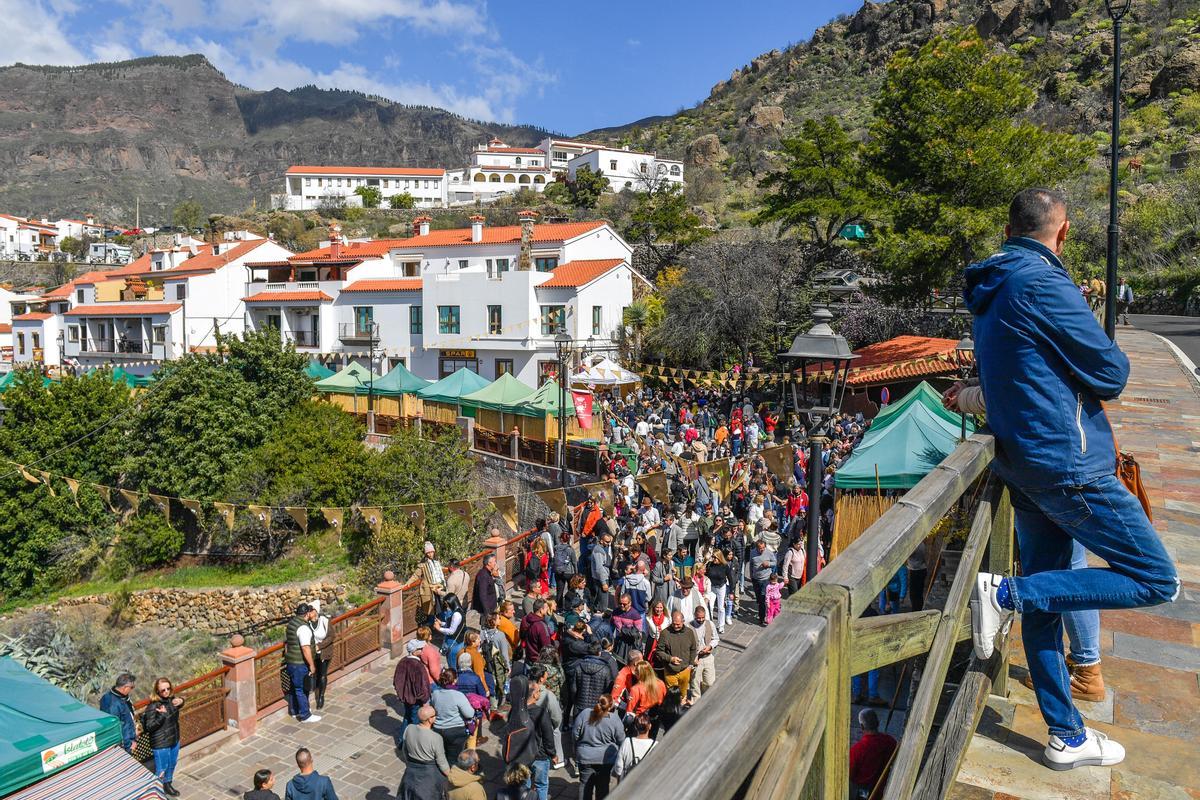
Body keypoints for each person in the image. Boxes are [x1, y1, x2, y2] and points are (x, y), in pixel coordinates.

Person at [964, 187, 1178, 770]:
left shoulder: (990, 284)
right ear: (1061, 233)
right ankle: (1003, 594)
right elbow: (1111, 372)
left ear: (1010, 228)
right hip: (1068, 464)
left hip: (1025, 463)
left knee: (1051, 594)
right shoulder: (1042, 281)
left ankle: (1067, 734)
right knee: (1157, 581)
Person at [573, 695, 626, 800]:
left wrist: (575, 750)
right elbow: (622, 740)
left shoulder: (584, 714)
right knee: (603, 786)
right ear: (610, 707)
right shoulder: (614, 720)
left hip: (585, 757)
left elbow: (575, 735)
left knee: (585, 786)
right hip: (606, 760)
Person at [142, 677, 184, 796]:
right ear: (157, 692)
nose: (166, 692)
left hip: (174, 739)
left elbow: (178, 705)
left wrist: (181, 700)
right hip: (161, 743)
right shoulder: (153, 706)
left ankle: (167, 785)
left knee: (172, 764)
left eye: (168, 689)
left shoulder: (171, 700)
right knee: (162, 769)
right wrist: (161, 716)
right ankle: (156, 792)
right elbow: (148, 727)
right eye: (162, 690)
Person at [398, 704, 449, 800]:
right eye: (434, 715)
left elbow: (405, 750)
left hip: (411, 771)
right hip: (429, 773)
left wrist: (409, 764)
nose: (436, 717)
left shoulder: (409, 728)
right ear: (430, 719)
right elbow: (441, 762)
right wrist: (449, 775)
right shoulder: (436, 738)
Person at [283, 603, 321, 723]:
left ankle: (294, 711)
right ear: (307, 614)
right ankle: (305, 715)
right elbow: (305, 648)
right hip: (299, 663)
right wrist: (311, 665)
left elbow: (287, 643)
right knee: (301, 689)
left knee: (294, 687)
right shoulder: (304, 628)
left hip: (290, 661)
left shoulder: (292, 623)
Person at [849, 709, 897, 799]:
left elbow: (849, 774)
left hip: (861, 794)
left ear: (862, 727)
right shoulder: (890, 742)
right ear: (878, 723)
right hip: (881, 789)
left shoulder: (857, 750)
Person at [431, 668, 475, 765]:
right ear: (454, 680)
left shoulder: (435, 693)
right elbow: (469, 713)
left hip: (438, 729)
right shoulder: (458, 695)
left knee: (443, 754)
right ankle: (451, 776)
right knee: (454, 758)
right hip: (455, 731)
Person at [653, 611, 698, 703]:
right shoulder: (665, 633)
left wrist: (690, 665)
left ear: (683, 621)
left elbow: (693, 649)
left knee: (683, 695)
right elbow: (659, 651)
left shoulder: (689, 632)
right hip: (670, 671)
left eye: (678, 624)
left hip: (685, 670)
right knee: (673, 698)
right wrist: (670, 659)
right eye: (674, 624)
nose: (676, 626)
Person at [394, 639, 433, 740]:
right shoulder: (418, 666)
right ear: (414, 651)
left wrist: (402, 695)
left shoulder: (402, 662)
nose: (422, 650)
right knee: (416, 723)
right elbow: (421, 686)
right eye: (420, 649)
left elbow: (396, 682)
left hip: (406, 699)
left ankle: (401, 740)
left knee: (407, 717)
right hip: (416, 701)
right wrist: (425, 701)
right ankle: (413, 743)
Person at [99, 672, 137, 753]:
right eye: (132, 687)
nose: (132, 689)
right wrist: (128, 745)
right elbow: (115, 728)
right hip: (123, 747)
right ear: (125, 687)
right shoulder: (113, 704)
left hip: (127, 743)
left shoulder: (121, 698)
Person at [688, 605, 719, 702]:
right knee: (695, 683)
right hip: (696, 659)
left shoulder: (710, 624)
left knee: (710, 682)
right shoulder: (689, 626)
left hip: (708, 657)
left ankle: (707, 699)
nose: (701, 620)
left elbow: (716, 639)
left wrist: (710, 646)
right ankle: (695, 703)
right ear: (694, 615)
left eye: (703, 617)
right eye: (698, 618)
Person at [613, 713, 656, 783]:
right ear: (650, 726)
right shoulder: (655, 745)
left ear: (635, 727)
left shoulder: (627, 742)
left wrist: (619, 782)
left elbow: (618, 767)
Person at [307, 599, 332, 710]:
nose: (309, 613)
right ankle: (315, 690)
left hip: (324, 652)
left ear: (316, 611)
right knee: (315, 673)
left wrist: (320, 646)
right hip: (313, 653)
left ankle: (321, 696)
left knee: (322, 674)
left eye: (311, 611)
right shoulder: (306, 623)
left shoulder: (325, 621)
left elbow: (331, 636)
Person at [414, 541, 446, 623]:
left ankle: (442, 623)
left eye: (431, 552)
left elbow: (439, 572)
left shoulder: (436, 562)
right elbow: (416, 575)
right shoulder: (423, 565)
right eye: (428, 553)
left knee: (441, 606)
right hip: (431, 589)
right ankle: (432, 626)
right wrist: (407, 584)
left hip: (440, 587)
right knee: (431, 608)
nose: (430, 554)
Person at [748, 539, 775, 625]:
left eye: (763, 548)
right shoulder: (752, 552)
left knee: (763, 598)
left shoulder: (769, 552)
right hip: (756, 579)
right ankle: (762, 614)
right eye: (760, 548)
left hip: (766, 579)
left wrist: (769, 564)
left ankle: (762, 617)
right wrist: (751, 576)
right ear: (756, 548)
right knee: (759, 599)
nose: (762, 550)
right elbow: (751, 564)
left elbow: (775, 562)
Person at [471, 553, 499, 619]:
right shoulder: (483, 575)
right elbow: (482, 595)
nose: (495, 563)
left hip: (491, 607)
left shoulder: (488, 573)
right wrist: (487, 613)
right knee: (486, 627)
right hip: (487, 610)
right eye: (494, 561)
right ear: (489, 563)